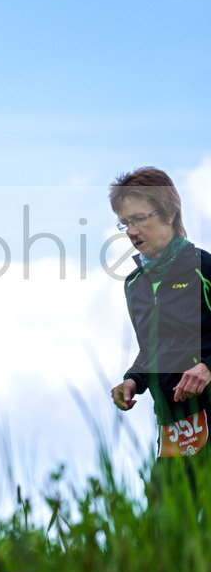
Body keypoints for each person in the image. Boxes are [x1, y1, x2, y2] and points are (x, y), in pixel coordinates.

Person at [109, 167, 211, 503]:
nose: (132, 232)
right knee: (164, 537)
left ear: (169, 213)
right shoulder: (134, 286)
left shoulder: (204, 268)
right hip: (172, 430)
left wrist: (208, 366)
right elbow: (153, 350)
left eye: (139, 218)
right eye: (125, 223)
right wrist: (133, 381)